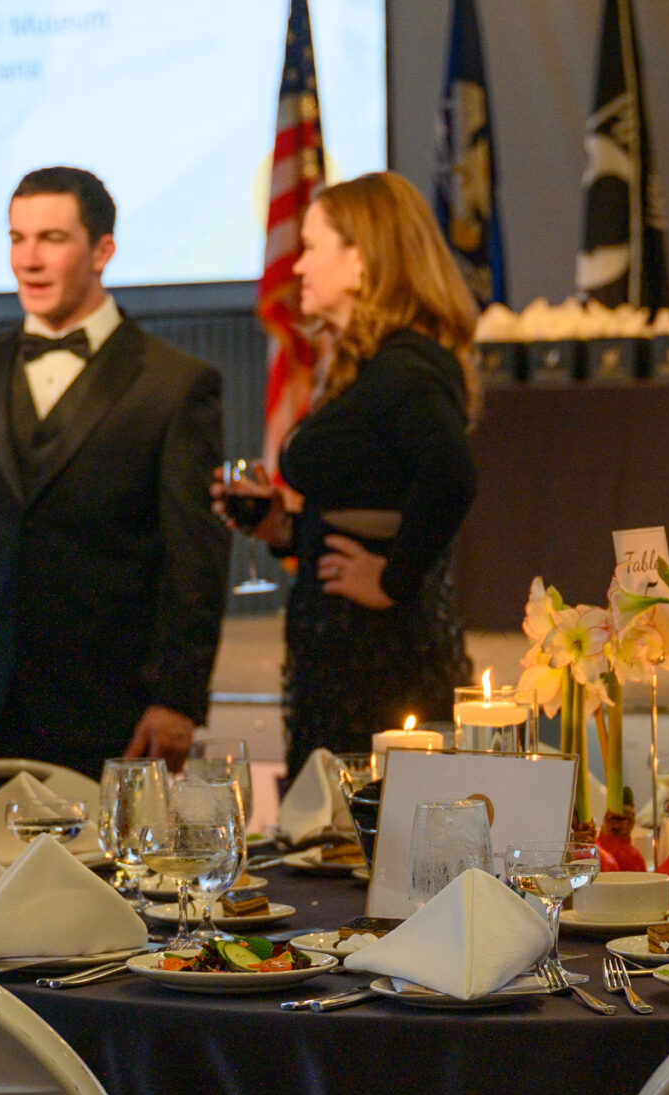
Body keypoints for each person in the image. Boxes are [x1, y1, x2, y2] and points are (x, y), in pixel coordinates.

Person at [0, 166, 228, 776]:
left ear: (103, 251)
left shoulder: (175, 384)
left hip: (110, 713)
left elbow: (194, 558)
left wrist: (178, 697)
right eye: (17, 239)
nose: (29, 260)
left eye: (51, 239)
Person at [216, 172, 478, 772]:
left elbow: (452, 475)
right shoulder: (374, 365)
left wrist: (391, 581)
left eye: (311, 248)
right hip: (350, 654)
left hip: (378, 659)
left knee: (368, 817)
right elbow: (373, 506)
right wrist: (285, 530)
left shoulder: (404, 366)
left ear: (362, 261)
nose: (297, 267)